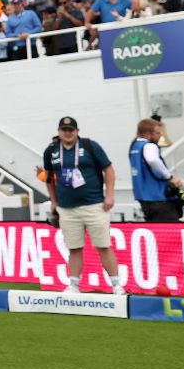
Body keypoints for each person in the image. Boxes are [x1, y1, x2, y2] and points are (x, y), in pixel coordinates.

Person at [43, 116, 123, 295]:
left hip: (94, 205)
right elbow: (48, 177)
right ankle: (74, 285)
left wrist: (109, 195)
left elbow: (108, 170)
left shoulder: (90, 146)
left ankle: (116, 285)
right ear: (59, 132)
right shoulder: (51, 151)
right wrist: (54, 201)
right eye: (64, 130)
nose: (68, 133)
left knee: (103, 246)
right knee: (74, 248)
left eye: (71, 129)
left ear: (77, 131)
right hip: (67, 208)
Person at [129, 118, 184, 222]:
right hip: (158, 198)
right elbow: (153, 159)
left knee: (156, 232)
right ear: (147, 134)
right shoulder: (149, 146)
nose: (161, 136)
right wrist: (170, 177)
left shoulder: (134, 146)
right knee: (171, 234)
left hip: (144, 198)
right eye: (158, 133)